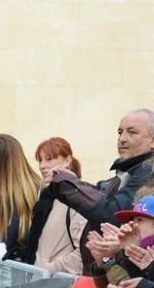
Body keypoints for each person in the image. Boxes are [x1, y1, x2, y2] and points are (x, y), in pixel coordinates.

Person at [47, 109, 154, 271]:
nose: (122, 139)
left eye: (132, 132)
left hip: (137, 282)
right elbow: (101, 198)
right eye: (120, 132)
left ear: (152, 140)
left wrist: (69, 183)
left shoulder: (148, 170)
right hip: (115, 279)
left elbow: (113, 212)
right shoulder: (127, 172)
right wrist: (71, 181)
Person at [21, 137, 86, 274]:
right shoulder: (45, 198)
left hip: (59, 287)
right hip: (37, 283)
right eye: (40, 160)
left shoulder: (78, 199)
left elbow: (84, 254)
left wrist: (48, 269)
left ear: (67, 160)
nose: (42, 165)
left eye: (49, 159)